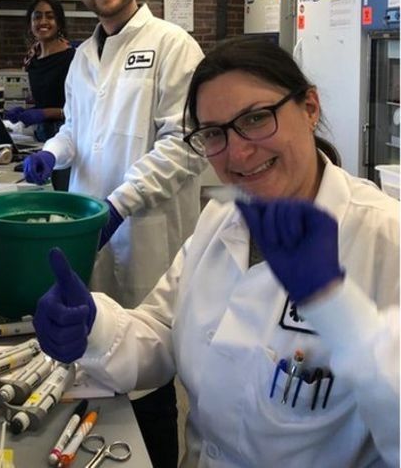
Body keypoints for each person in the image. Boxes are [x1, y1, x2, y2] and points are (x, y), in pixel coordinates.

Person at [33, 37, 400, 468]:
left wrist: (336, 308)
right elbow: (164, 330)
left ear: (310, 108)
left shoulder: (384, 238)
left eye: (256, 118)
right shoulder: (222, 219)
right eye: (214, 134)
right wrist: (94, 326)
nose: (238, 152)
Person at [22, 0, 207, 467]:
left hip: (148, 238)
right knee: (94, 359)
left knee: (149, 374)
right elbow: (76, 130)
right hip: (91, 232)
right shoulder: (83, 56)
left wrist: (121, 203)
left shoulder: (173, 45)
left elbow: (186, 143)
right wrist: (51, 154)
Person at [6, 0, 75, 190]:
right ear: (30, 23)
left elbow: (80, 110)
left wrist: (44, 113)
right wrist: (27, 112)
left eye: (50, 16)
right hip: (42, 137)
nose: (43, 22)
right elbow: (47, 98)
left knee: (61, 193)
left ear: (59, 22)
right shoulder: (33, 58)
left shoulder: (72, 58)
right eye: (37, 17)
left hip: (67, 140)